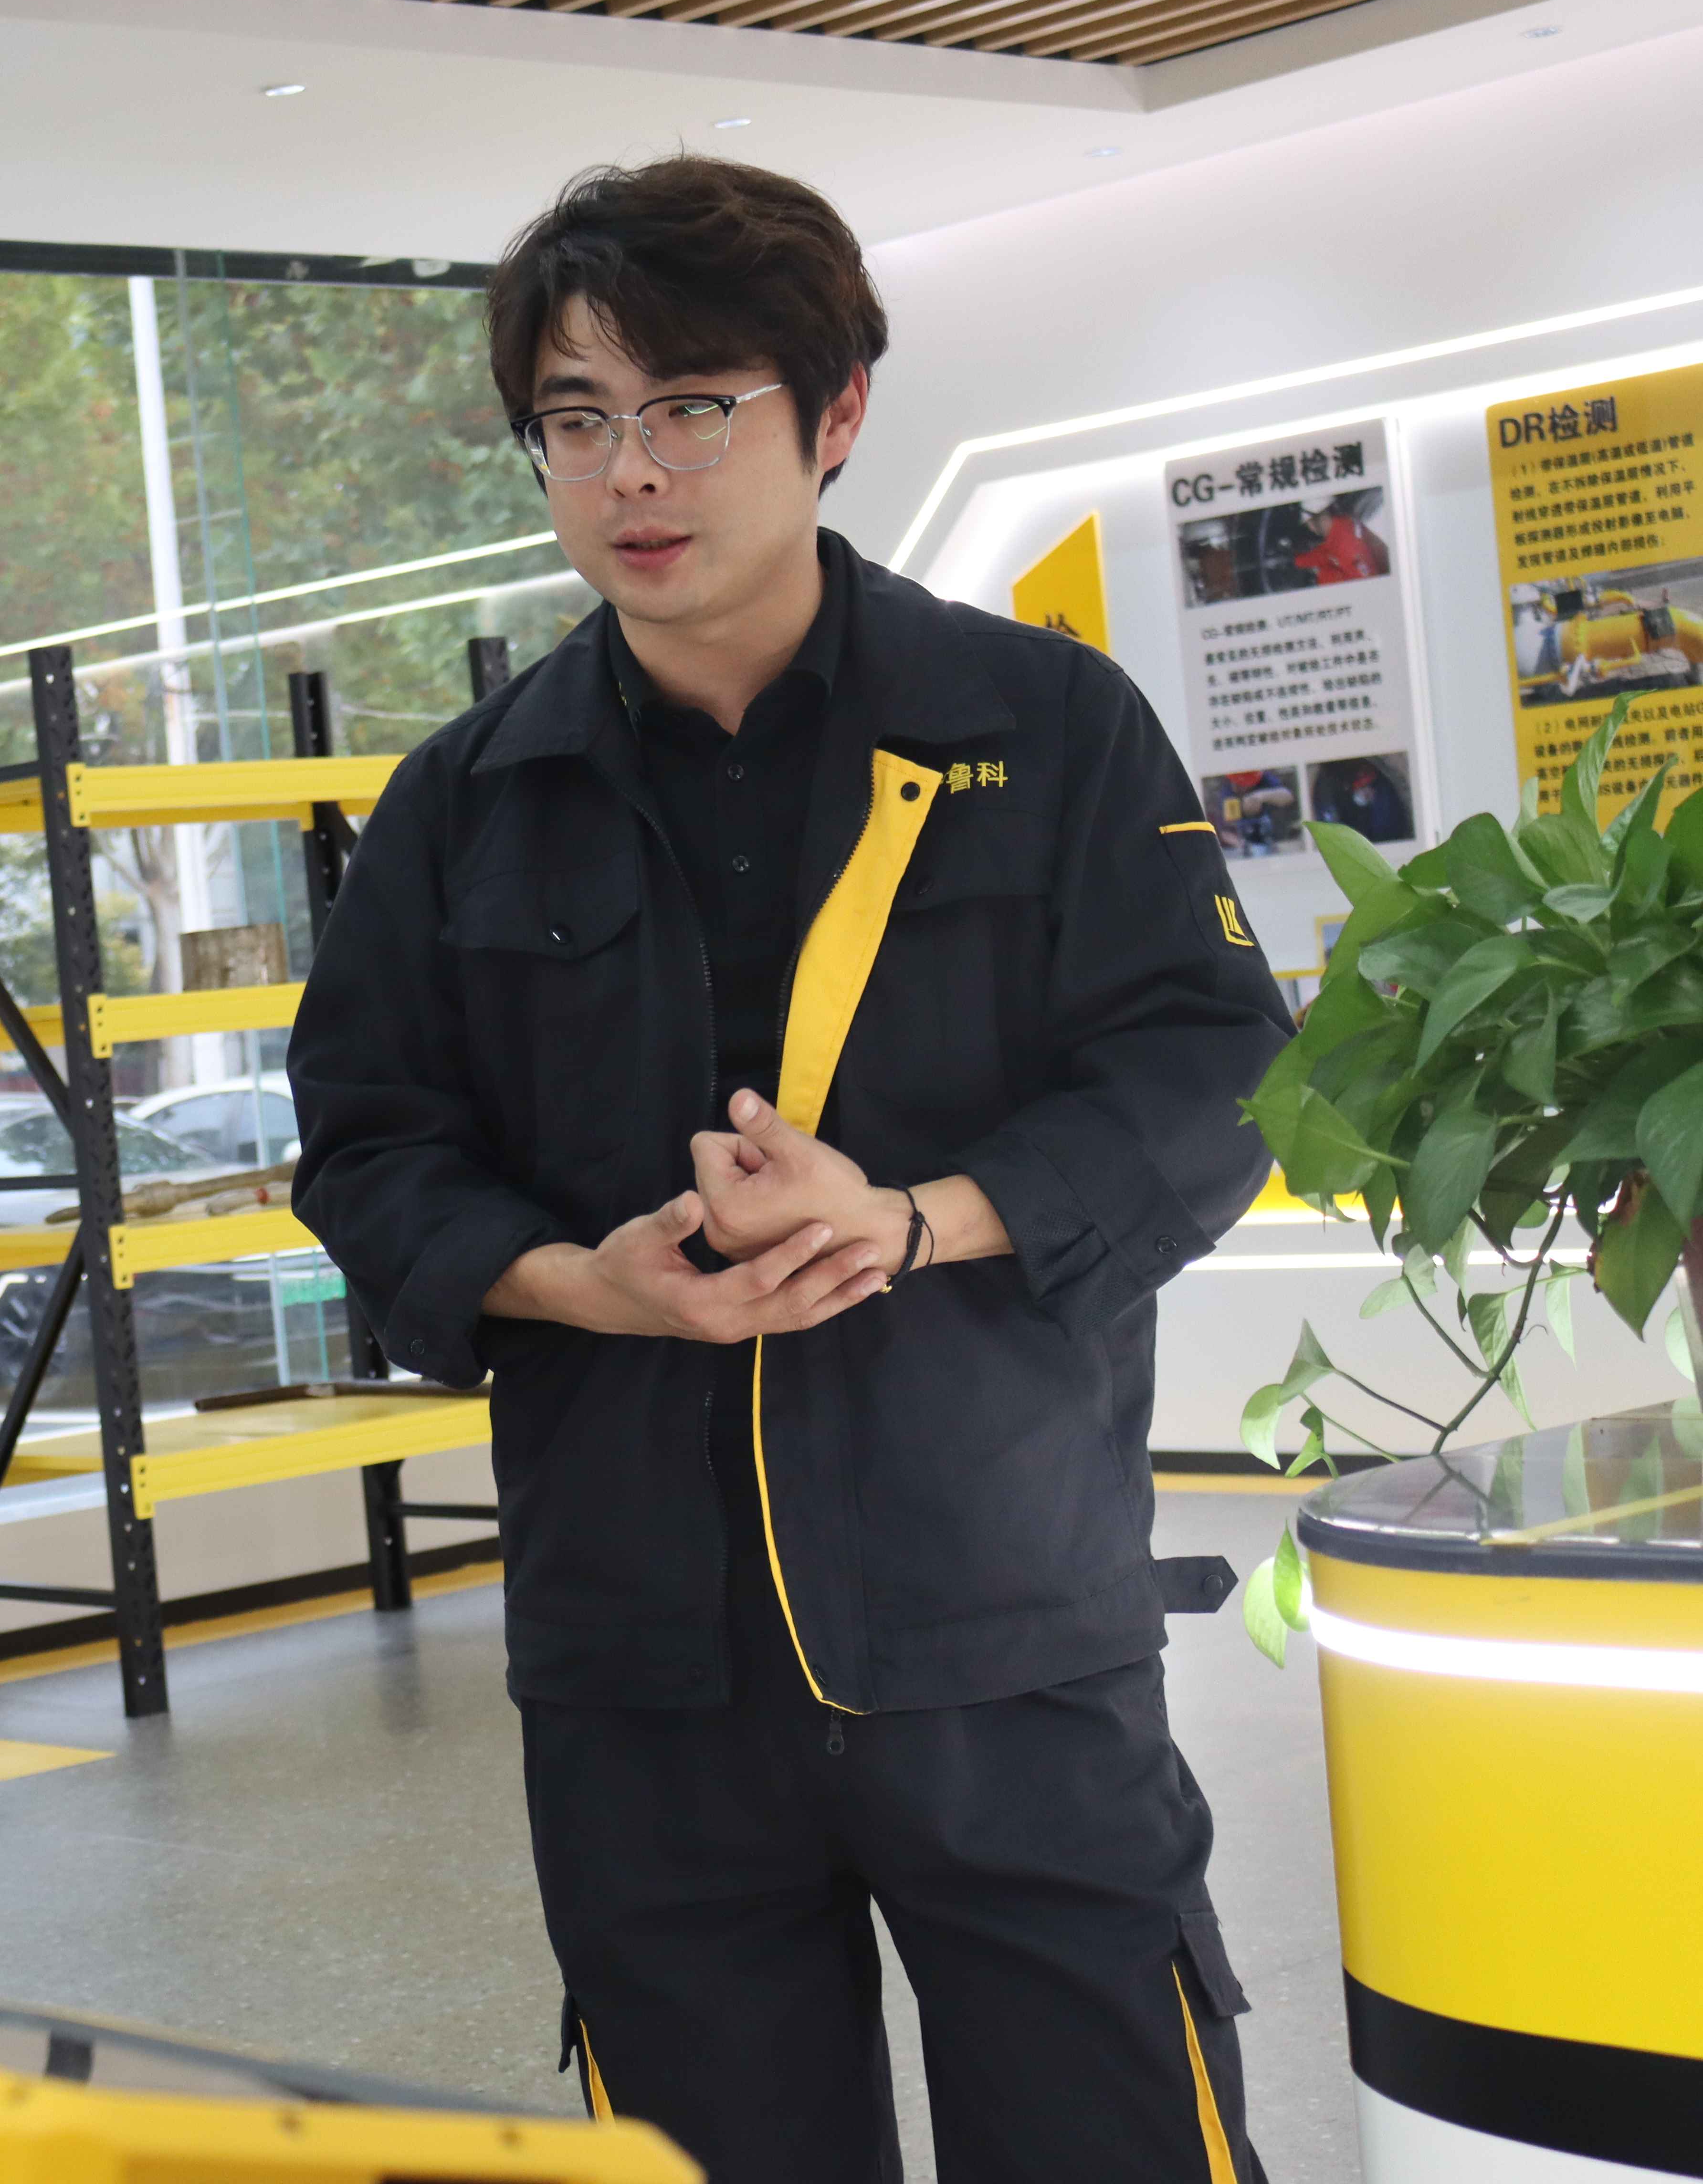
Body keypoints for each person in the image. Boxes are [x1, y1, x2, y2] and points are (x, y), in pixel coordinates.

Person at [288, 157, 1288, 2184]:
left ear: (835, 414)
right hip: (640, 1659)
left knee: (1109, 2133)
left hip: (998, 1611)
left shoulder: (1045, 726)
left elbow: (1213, 1073)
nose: (632, 472)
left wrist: (919, 1220)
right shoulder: (466, 802)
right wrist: (581, 1280)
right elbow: (372, 1145)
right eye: (578, 419)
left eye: (692, 405)